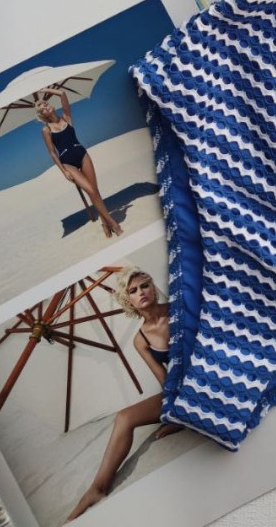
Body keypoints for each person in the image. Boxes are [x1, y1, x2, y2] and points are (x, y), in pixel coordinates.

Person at [65, 266, 181, 520]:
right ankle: (98, 488)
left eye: (145, 285)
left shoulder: (179, 308)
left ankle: (184, 417)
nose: (141, 292)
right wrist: (175, 410)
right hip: (182, 391)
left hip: (209, 379)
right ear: (128, 300)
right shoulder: (141, 340)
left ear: (153, 288)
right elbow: (165, 381)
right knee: (124, 417)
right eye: (133, 290)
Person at [35, 86, 122, 239]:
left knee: (95, 191)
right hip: (68, 163)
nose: (45, 107)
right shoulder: (46, 130)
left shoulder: (66, 117)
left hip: (82, 155)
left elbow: (62, 94)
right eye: (42, 109)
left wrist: (46, 89)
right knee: (91, 191)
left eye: (46, 104)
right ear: (42, 115)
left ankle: (104, 223)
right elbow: (52, 153)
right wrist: (64, 172)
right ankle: (113, 223)